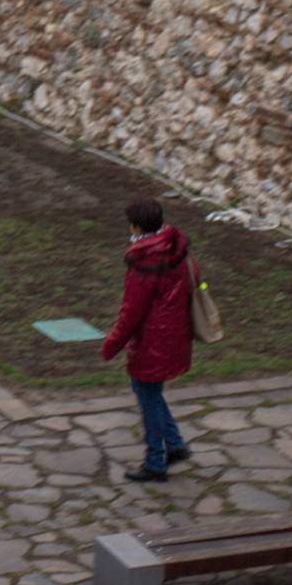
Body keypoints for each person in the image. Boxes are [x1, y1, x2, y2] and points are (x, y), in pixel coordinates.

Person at [100, 197, 197, 482]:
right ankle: (175, 445)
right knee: (151, 393)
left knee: (148, 398)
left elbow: (132, 312)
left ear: (138, 226)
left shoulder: (144, 263)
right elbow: (195, 278)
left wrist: (111, 345)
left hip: (152, 341)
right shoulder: (178, 248)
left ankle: (156, 462)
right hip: (175, 334)